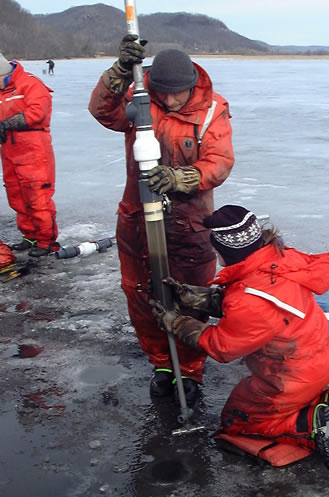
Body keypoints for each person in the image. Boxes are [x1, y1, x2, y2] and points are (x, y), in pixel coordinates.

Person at [151, 205, 329, 473]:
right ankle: (325, 402)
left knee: (239, 420)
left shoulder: (250, 298)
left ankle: (308, 425)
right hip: (317, 361)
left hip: (285, 379)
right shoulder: (277, 262)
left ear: (227, 250)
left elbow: (223, 346)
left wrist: (177, 323)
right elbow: (248, 303)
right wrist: (196, 297)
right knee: (277, 401)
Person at [88, 36, 234, 406]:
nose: (169, 101)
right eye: (163, 93)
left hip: (188, 223)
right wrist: (119, 72)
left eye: (177, 94)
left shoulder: (211, 110)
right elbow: (103, 111)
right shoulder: (139, 97)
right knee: (140, 293)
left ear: (191, 85)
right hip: (137, 217)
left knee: (189, 298)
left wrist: (182, 177)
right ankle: (161, 364)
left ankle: (188, 370)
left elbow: (220, 161)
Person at [0, 53, 59, 257]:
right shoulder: (1, 91)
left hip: (34, 150)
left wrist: (7, 124)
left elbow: (38, 112)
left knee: (38, 196)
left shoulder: (31, 84)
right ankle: (30, 236)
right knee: (16, 195)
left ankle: (46, 241)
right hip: (9, 151)